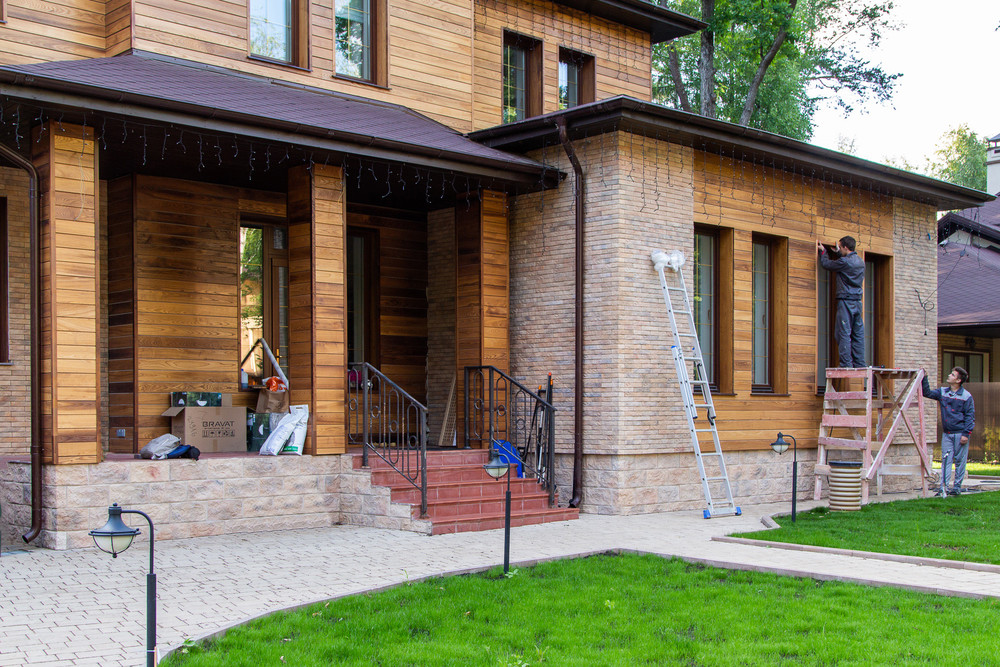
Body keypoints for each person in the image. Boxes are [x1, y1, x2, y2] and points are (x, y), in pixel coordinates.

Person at [922, 366, 975, 496]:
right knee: (946, 461)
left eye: (952, 374)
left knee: (960, 461)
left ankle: (956, 488)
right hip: (947, 434)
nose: (949, 375)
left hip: (960, 433)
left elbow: (970, 416)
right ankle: (943, 488)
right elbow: (927, 393)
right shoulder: (943, 392)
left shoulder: (966, 397)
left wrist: (966, 434)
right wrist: (924, 378)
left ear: (958, 380)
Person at [817, 236, 865, 368]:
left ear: (845, 247)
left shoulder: (845, 262)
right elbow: (845, 263)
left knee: (843, 332)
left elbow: (827, 264)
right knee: (857, 334)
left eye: (840, 246)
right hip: (857, 303)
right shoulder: (860, 262)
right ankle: (860, 364)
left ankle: (846, 364)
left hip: (846, 302)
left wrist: (823, 252)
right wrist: (838, 253)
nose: (839, 248)